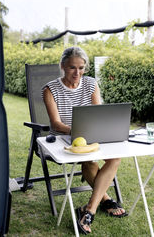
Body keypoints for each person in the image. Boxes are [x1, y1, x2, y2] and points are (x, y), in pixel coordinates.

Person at [42, 47, 127, 235]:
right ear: (63, 66)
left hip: (92, 135)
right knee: (89, 160)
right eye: (72, 67)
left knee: (115, 158)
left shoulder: (90, 84)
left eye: (81, 68)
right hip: (65, 138)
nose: (77, 73)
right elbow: (56, 123)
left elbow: (99, 113)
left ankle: (89, 209)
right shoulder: (50, 89)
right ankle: (104, 200)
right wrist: (76, 130)